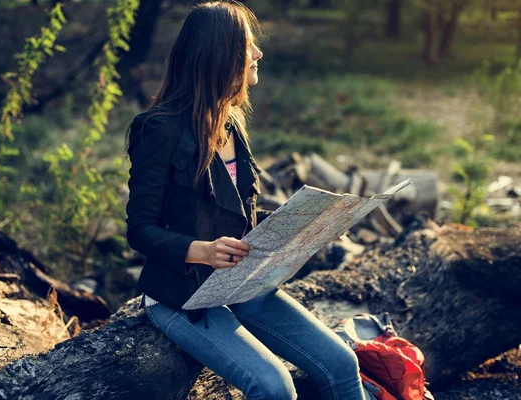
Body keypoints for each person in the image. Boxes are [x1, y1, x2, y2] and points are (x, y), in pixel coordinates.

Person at [123, 2, 369, 399]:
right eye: (249, 47)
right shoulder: (157, 130)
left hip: (241, 283)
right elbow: (140, 230)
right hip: (180, 295)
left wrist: (316, 225)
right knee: (274, 387)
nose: (258, 54)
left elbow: (237, 214)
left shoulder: (232, 121)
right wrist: (201, 250)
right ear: (220, 56)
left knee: (342, 363)